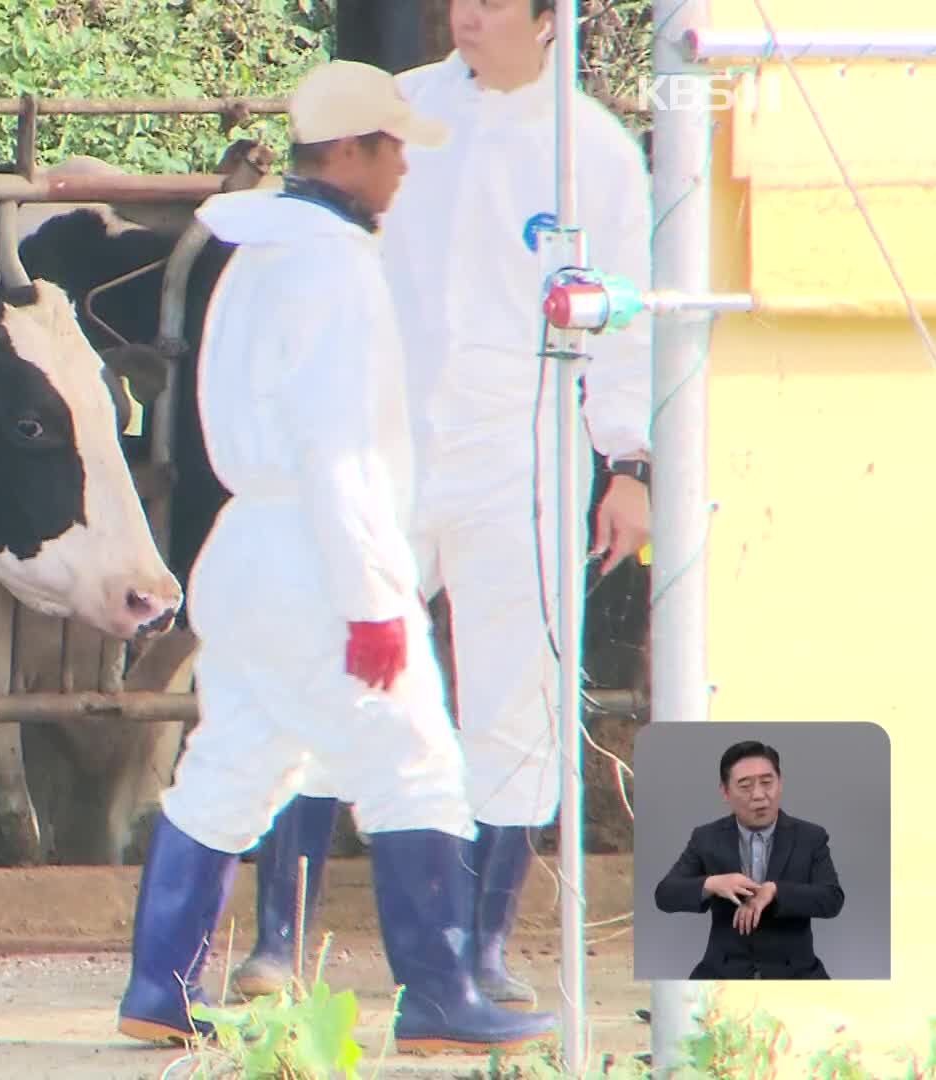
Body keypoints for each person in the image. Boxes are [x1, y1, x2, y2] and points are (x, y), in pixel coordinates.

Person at [114, 59, 557, 1055]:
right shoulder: (338, 271)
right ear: (349, 152)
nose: (404, 167)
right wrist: (372, 600)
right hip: (322, 554)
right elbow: (341, 450)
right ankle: (442, 997)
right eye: (391, 148)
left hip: (248, 545)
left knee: (230, 768)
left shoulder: (254, 254)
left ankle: (158, 983)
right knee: (420, 768)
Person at [236, 0, 657, 1008]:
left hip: (525, 449)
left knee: (514, 694)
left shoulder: (594, 151)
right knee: (334, 659)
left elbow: (628, 313)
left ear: (553, 17)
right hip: (389, 441)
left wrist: (630, 462)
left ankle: (479, 949)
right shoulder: (403, 114)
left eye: (492, 0)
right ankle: (275, 943)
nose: (467, 14)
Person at [652, 741, 846, 979]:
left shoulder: (810, 837)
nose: (758, 795)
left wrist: (775, 892)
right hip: (722, 972)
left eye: (767, 783)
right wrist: (713, 884)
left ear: (780, 784)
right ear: (725, 792)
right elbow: (664, 895)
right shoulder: (706, 838)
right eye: (745, 786)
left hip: (796, 972)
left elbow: (832, 899)